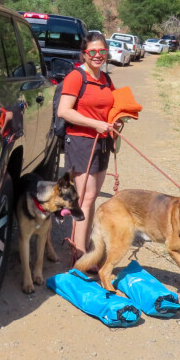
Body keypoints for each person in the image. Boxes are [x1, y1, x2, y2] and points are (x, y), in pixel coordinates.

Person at [57, 32, 124, 261]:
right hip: (81, 141)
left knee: (93, 196)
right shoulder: (76, 77)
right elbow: (64, 111)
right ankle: (79, 256)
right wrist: (95, 124)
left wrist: (117, 121)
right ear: (84, 54)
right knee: (84, 198)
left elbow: (113, 106)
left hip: (103, 141)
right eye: (92, 52)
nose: (98, 56)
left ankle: (84, 248)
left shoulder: (106, 79)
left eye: (102, 52)